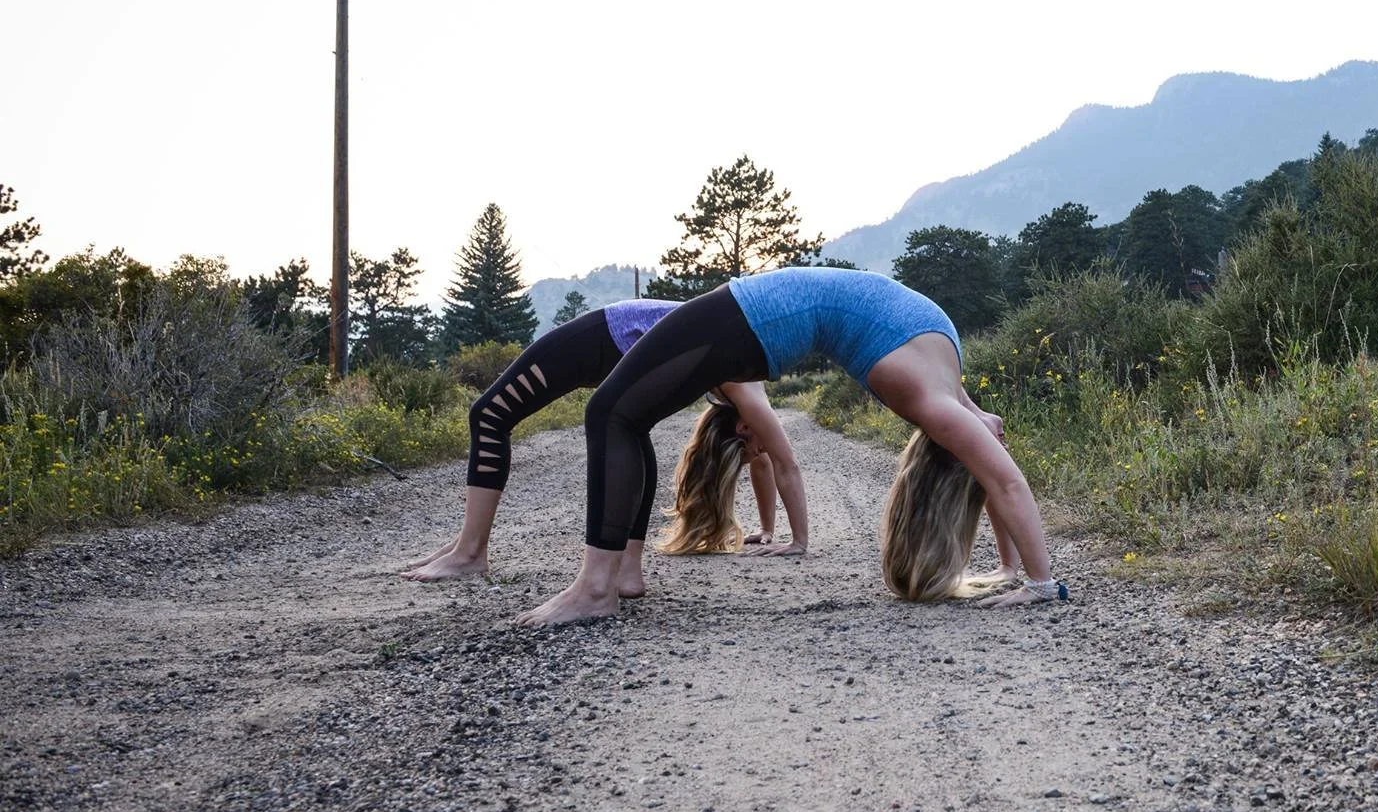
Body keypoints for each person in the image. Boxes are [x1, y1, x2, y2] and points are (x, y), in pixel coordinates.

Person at [515, 267, 1062, 627]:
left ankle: (604, 584)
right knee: (616, 413)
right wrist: (1034, 581)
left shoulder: (940, 374)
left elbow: (991, 456)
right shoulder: (928, 398)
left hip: (765, 311)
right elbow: (1001, 474)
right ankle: (606, 582)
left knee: (614, 412)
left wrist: (1018, 571)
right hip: (761, 313)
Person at [404, 299, 797, 593]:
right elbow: (777, 462)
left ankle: (470, 552)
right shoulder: (745, 393)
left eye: (753, 451)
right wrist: (780, 533)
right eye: (755, 449)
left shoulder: (745, 395)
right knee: (632, 428)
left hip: (607, 336)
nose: (759, 453)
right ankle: (625, 571)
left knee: (490, 413)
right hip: (619, 332)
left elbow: (776, 462)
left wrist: (786, 536)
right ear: (744, 428)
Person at [649, 382, 809, 556]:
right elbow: (762, 464)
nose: (762, 452)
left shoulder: (749, 404)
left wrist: (799, 542)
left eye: (754, 451)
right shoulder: (740, 401)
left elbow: (787, 467)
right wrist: (766, 529)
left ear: (743, 428)